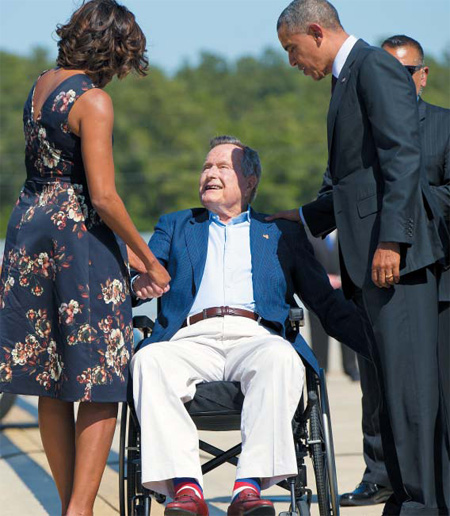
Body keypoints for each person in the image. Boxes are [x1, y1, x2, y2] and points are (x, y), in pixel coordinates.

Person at [130, 136, 369, 516]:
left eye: (222, 167)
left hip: (256, 336)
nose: (210, 173)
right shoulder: (176, 225)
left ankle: (248, 489)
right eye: (206, 167)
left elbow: (324, 302)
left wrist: (378, 345)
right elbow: (142, 274)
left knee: (281, 356)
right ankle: (186, 490)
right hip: (191, 338)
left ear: (250, 181)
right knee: (148, 361)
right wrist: (137, 284)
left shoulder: (280, 232)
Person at [274, 1, 449, 514]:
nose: (293, 61)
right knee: (391, 390)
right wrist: (304, 218)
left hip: (396, 260)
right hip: (368, 260)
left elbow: (402, 158)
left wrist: (393, 240)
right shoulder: (347, 77)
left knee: (412, 391)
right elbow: (357, 181)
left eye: (292, 49)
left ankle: (423, 503)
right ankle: (407, 497)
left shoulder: (374, 67)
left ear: (315, 31)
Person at [0, 1, 170, 515]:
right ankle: (80, 511)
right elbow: (104, 196)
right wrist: (146, 258)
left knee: (49, 380)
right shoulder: (92, 101)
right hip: (77, 240)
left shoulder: (40, 85)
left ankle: (69, 506)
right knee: (100, 379)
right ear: (114, 48)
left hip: (29, 227)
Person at [340, 34, 450, 508]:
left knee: (430, 400)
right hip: (380, 279)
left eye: (404, 74)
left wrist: (398, 214)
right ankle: (385, 477)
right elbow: (340, 193)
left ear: (422, 76)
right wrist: (304, 217)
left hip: (434, 276)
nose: (394, 82)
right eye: (386, 73)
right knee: (384, 395)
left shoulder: (444, 127)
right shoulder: (363, 129)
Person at [306, 229, 359, 381]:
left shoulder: (346, 231)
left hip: (345, 288)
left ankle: (350, 367)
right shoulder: (310, 234)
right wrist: (323, 278)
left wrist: (342, 279)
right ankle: (321, 368)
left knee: (349, 328)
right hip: (319, 289)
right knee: (318, 332)